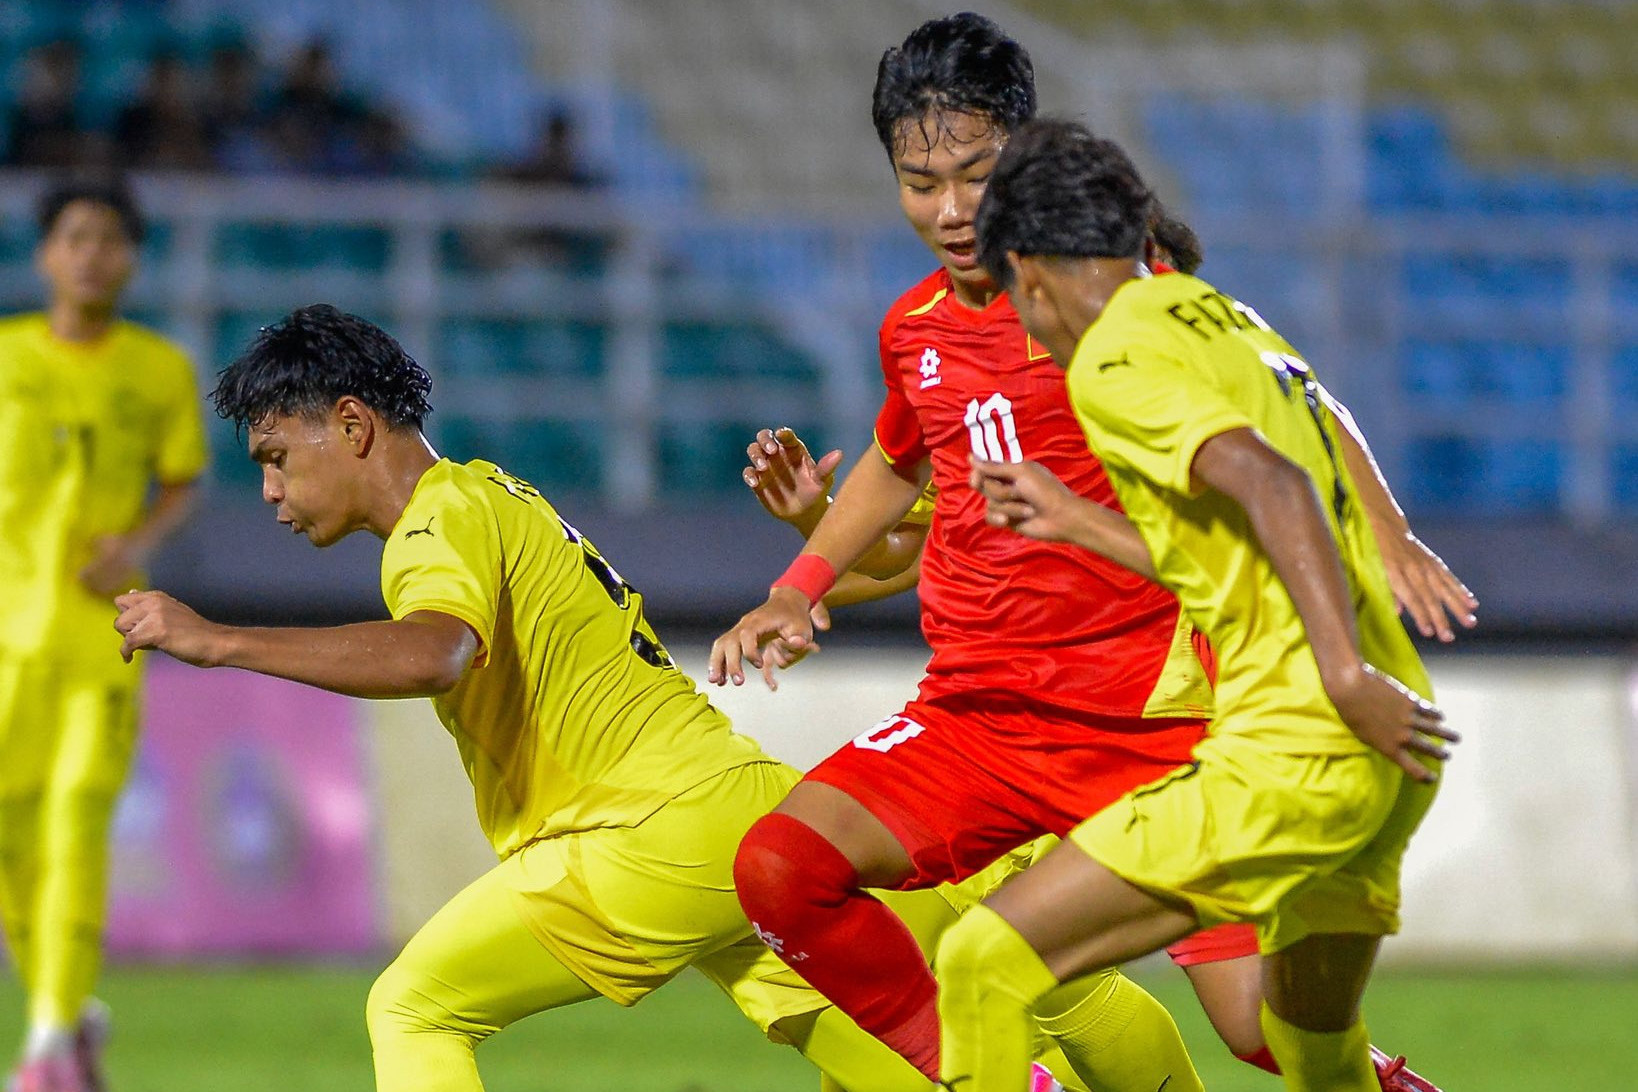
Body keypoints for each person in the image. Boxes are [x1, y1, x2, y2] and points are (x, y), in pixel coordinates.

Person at [713, 14, 1459, 1092]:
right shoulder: (915, 327)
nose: (951, 210)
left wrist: (1388, 537)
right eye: (920, 183)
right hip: (978, 721)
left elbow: (1286, 398)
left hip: (1152, 725)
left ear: (1023, 148)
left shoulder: (1116, 298)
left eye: (974, 173)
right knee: (783, 868)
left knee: (1271, 1037)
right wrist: (798, 584)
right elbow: (895, 459)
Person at [112, 304, 991, 1092]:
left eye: (275, 458)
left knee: (415, 1009)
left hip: (636, 831)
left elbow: (433, 655)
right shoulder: (496, 492)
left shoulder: (435, 518)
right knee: (877, 1045)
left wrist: (217, 640)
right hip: (731, 808)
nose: (269, 491)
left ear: (350, 425)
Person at [950, 117, 1460, 1092]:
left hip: (1301, 743)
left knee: (981, 962)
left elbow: (1277, 488)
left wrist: (1341, 677)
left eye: (1015, 299)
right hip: (1392, 753)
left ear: (1031, 269)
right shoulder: (1226, 319)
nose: (1024, 326)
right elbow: (1242, 539)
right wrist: (1075, 519)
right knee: (1314, 1045)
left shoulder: (1112, 358)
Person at [0, 178, 208, 1092]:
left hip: (104, 633)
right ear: (45, 253)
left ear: (132, 258)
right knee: (11, 841)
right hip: (8, 634)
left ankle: (46, 1045)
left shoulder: (158, 369)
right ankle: (71, 1008)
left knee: (80, 810)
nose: (92, 253)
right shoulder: (5, 357)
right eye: (75, 236)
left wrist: (137, 542)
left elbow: (182, 482)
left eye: (111, 239)